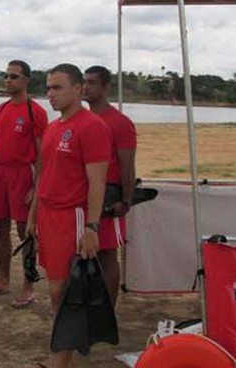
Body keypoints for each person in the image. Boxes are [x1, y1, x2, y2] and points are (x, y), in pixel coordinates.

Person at [27, 63, 111, 368]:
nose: (50, 94)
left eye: (57, 87)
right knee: (54, 288)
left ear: (78, 89)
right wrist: (32, 216)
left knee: (64, 290)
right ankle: (60, 356)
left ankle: (59, 360)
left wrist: (91, 227)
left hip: (71, 217)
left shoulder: (92, 127)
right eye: (48, 87)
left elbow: (97, 183)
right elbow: (44, 175)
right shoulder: (54, 127)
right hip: (47, 215)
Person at [0, 60, 48, 308]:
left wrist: (36, 186)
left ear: (25, 80)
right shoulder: (1, 109)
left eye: (13, 76)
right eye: (6, 75)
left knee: (26, 232)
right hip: (0, 173)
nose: (8, 80)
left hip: (23, 173)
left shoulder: (36, 111)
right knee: (0, 227)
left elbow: (43, 153)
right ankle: (3, 278)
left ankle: (28, 285)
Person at [83, 65, 137, 306]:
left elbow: (127, 165)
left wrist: (126, 199)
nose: (86, 87)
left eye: (92, 82)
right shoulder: (81, 119)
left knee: (106, 255)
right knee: (84, 253)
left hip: (109, 195)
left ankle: (108, 311)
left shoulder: (120, 122)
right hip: (83, 195)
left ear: (105, 87)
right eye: (84, 82)